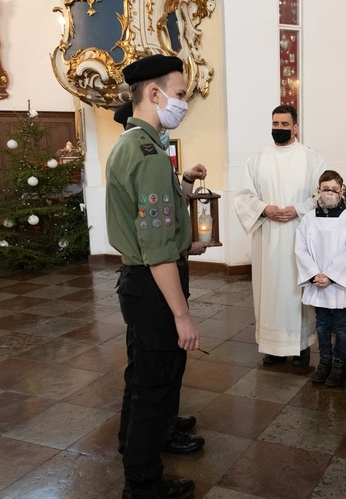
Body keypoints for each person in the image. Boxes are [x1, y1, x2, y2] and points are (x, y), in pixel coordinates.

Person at [106, 54, 206, 499]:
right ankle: (143, 483)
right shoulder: (147, 151)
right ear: (154, 93)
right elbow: (157, 249)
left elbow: (152, 220)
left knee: (144, 372)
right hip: (154, 285)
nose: (182, 103)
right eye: (180, 94)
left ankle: (137, 443)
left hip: (140, 280)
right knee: (157, 379)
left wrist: (187, 235)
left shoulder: (137, 144)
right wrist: (182, 316)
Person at [234, 105, 326, 366]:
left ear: (295, 128)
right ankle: (273, 348)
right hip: (268, 238)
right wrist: (264, 208)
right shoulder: (258, 159)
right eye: (275, 124)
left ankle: (301, 346)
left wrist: (297, 209)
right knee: (269, 290)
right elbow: (244, 196)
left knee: (296, 290)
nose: (279, 129)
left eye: (285, 125)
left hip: (299, 235)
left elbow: (323, 194)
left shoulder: (312, 159)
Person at [295, 170, 346, 387]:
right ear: (318, 190)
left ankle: (339, 365)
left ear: (341, 191)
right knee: (322, 325)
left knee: (341, 326)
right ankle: (324, 361)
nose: (330, 193)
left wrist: (330, 277)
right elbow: (301, 249)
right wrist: (315, 274)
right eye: (326, 189)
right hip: (317, 280)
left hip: (338, 283)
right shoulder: (308, 218)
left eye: (334, 189)